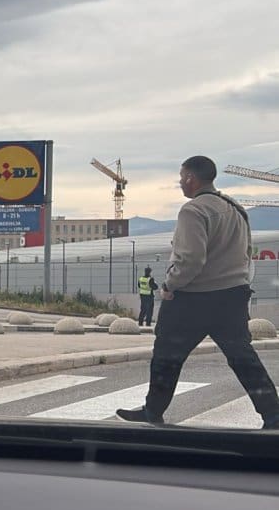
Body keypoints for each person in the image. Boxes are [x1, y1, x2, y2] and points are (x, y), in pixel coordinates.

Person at [117, 155, 279, 428]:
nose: (180, 182)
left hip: (193, 299)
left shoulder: (193, 211)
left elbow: (190, 259)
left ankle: (153, 411)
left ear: (191, 178)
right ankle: (273, 414)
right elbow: (246, 253)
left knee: (167, 354)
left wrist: (169, 285)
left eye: (182, 177)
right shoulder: (236, 209)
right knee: (242, 357)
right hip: (232, 297)